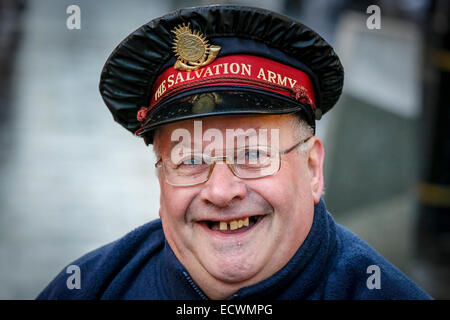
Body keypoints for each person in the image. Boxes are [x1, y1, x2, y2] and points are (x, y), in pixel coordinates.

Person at [37, 5, 431, 300]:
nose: (222, 192)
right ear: (160, 178)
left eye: (253, 154)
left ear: (312, 169)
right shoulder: (86, 289)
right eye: (190, 160)